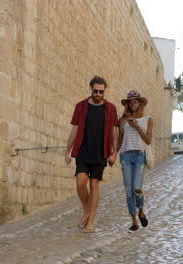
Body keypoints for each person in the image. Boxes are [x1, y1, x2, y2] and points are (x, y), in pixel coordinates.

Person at [65, 76, 119, 233]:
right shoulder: (81, 107)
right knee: (81, 182)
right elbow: (74, 129)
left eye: (101, 92)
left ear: (104, 91)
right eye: (95, 91)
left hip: (100, 151)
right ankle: (87, 210)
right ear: (91, 89)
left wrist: (114, 153)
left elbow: (114, 134)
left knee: (94, 184)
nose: (98, 94)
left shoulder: (111, 109)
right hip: (83, 150)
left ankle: (91, 221)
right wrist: (67, 150)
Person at [117, 90, 153, 233]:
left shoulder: (148, 119)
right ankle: (134, 222)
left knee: (137, 188)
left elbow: (148, 140)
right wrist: (113, 154)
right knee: (128, 190)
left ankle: (141, 212)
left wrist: (137, 126)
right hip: (125, 156)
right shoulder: (122, 120)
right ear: (128, 104)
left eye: (136, 102)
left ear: (140, 104)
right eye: (131, 102)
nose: (133, 104)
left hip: (139, 156)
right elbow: (119, 140)